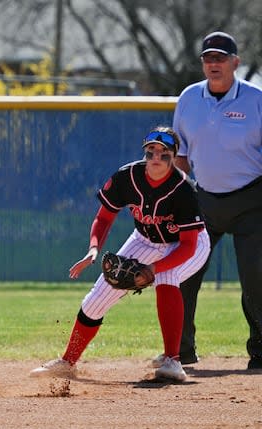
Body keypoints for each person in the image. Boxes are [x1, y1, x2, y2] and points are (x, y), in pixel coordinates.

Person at [30, 126, 210, 382]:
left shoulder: (183, 189)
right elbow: (103, 219)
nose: (156, 157)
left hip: (186, 245)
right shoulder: (127, 177)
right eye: (151, 152)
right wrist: (93, 249)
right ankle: (67, 362)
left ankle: (173, 361)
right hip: (145, 240)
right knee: (97, 298)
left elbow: (188, 246)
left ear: (174, 155)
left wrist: (152, 270)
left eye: (164, 152)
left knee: (167, 278)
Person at [173, 31, 262, 370]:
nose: (214, 63)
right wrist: (177, 201)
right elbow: (180, 156)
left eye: (221, 57)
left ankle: (261, 352)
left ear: (235, 63)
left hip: (252, 199)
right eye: (208, 57)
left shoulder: (256, 99)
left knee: (256, 277)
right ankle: (179, 350)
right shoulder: (189, 98)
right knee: (183, 272)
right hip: (203, 198)